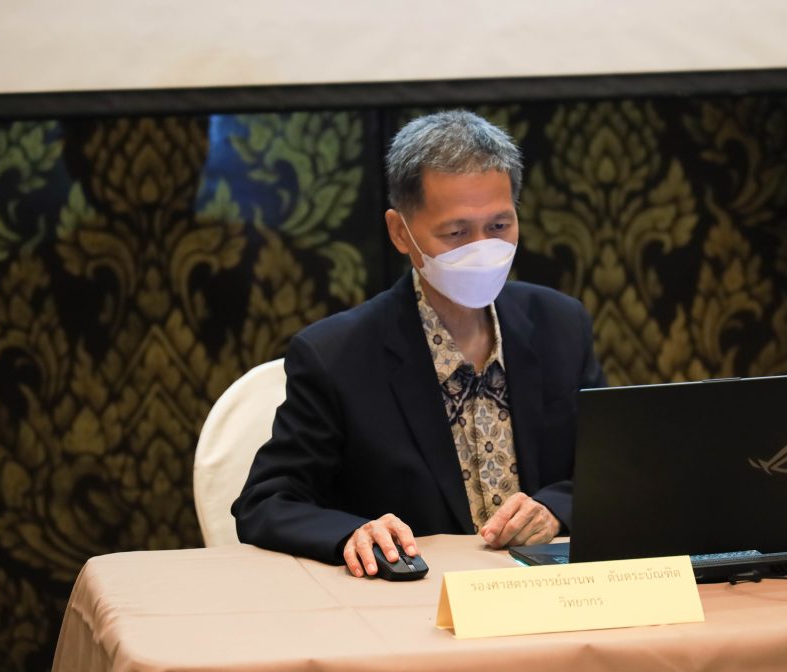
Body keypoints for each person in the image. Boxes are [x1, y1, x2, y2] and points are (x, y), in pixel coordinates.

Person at [232, 110, 605, 578]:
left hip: (547, 590)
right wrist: (353, 532)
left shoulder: (560, 324)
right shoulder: (336, 355)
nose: (482, 249)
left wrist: (554, 508)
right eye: (456, 233)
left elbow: (611, 468)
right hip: (414, 600)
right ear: (399, 232)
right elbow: (267, 501)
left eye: (499, 226)